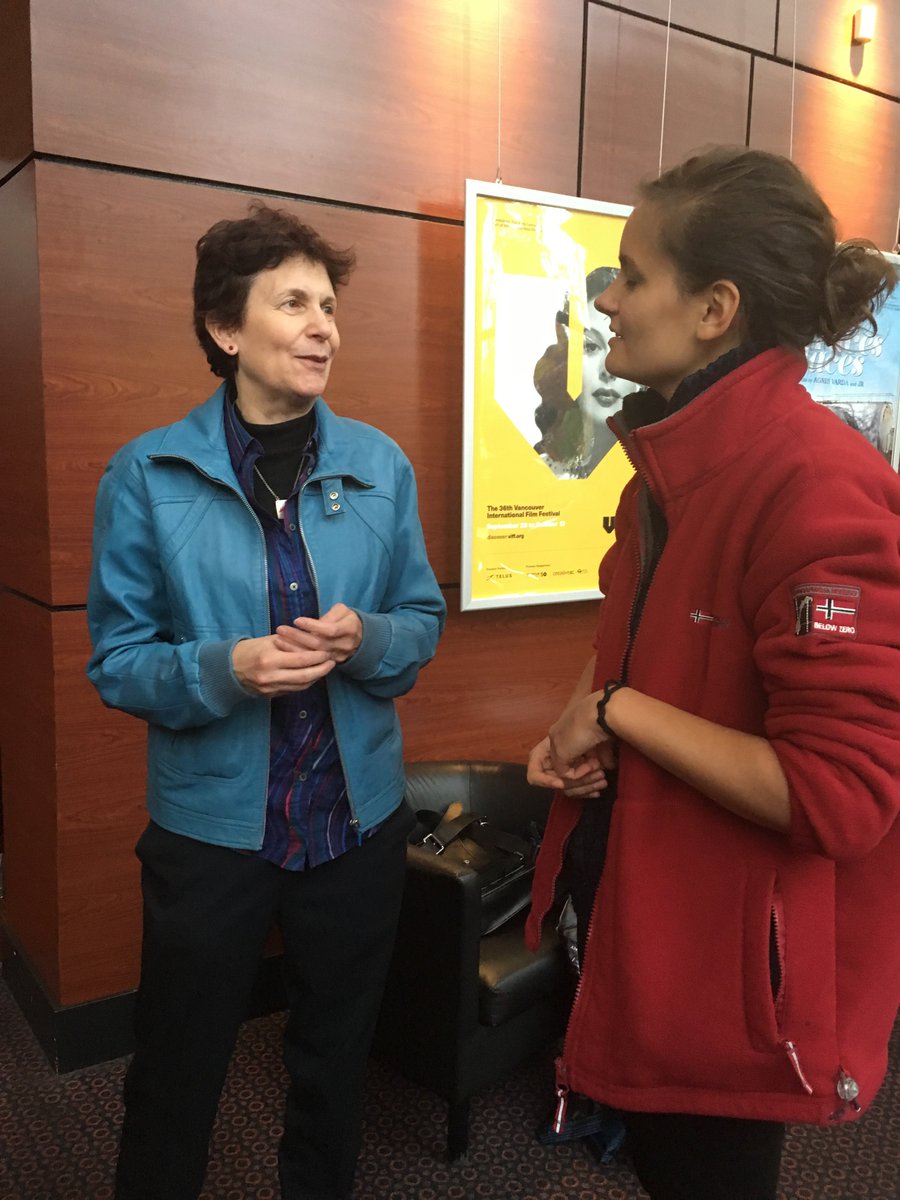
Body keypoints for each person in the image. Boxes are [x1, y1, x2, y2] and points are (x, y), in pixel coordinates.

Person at [525, 146, 900, 1200]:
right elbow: (658, 668)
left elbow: (841, 797)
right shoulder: (673, 469)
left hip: (739, 994)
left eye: (632, 274)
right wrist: (589, 723)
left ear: (713, 309)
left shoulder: (813, 484)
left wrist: (620, 711)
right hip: (655, 935)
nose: (606, 296)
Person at [86, 203, 446, 1200]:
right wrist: (225, 670)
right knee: (176, 1075)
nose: (323, 324)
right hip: (212, 842)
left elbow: (420, 620)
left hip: (355, 828)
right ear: (224, 328)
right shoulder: (147, 474)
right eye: (293, 302)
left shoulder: (380, 467)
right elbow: (117, 660)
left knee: (335, 1072)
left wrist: (366, 638)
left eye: (329, 304)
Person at [533, 267, 634, 477]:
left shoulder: (663, 469)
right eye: (591, 347)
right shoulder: (542, 470)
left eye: (623, 345)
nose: (607, 368)